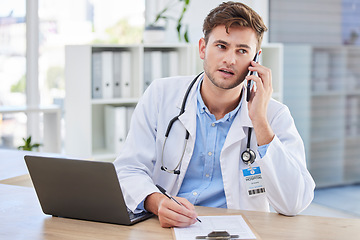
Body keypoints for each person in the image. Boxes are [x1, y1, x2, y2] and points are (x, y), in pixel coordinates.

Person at [114, 1, 315, 228]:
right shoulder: (161, 95)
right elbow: (128, 169)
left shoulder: (274, 116)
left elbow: (294, 202)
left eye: (242, 50)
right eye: (221, 46)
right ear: (202, 48)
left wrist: (259, 121)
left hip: (240, 230)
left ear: (255, 59)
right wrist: (157, 202)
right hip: (168, 228)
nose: (230, 59)